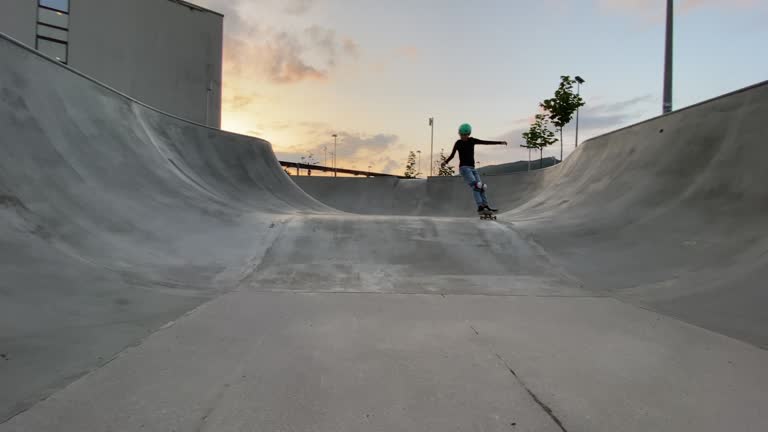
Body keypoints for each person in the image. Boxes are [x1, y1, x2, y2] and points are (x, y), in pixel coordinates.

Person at [443, 123, 507, 213]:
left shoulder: (472, 141)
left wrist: (500, 142)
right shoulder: (458, 143)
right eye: (461, 135)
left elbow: (485, 142)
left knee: (482, 187)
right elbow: (452, 155)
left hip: (472, 168)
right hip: (464, 168)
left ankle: (485, 205)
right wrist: (445, 162)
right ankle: (480, 206)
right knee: (476, 186)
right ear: (459, 134)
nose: (463, 137)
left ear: (468, 134)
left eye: (465, 135)